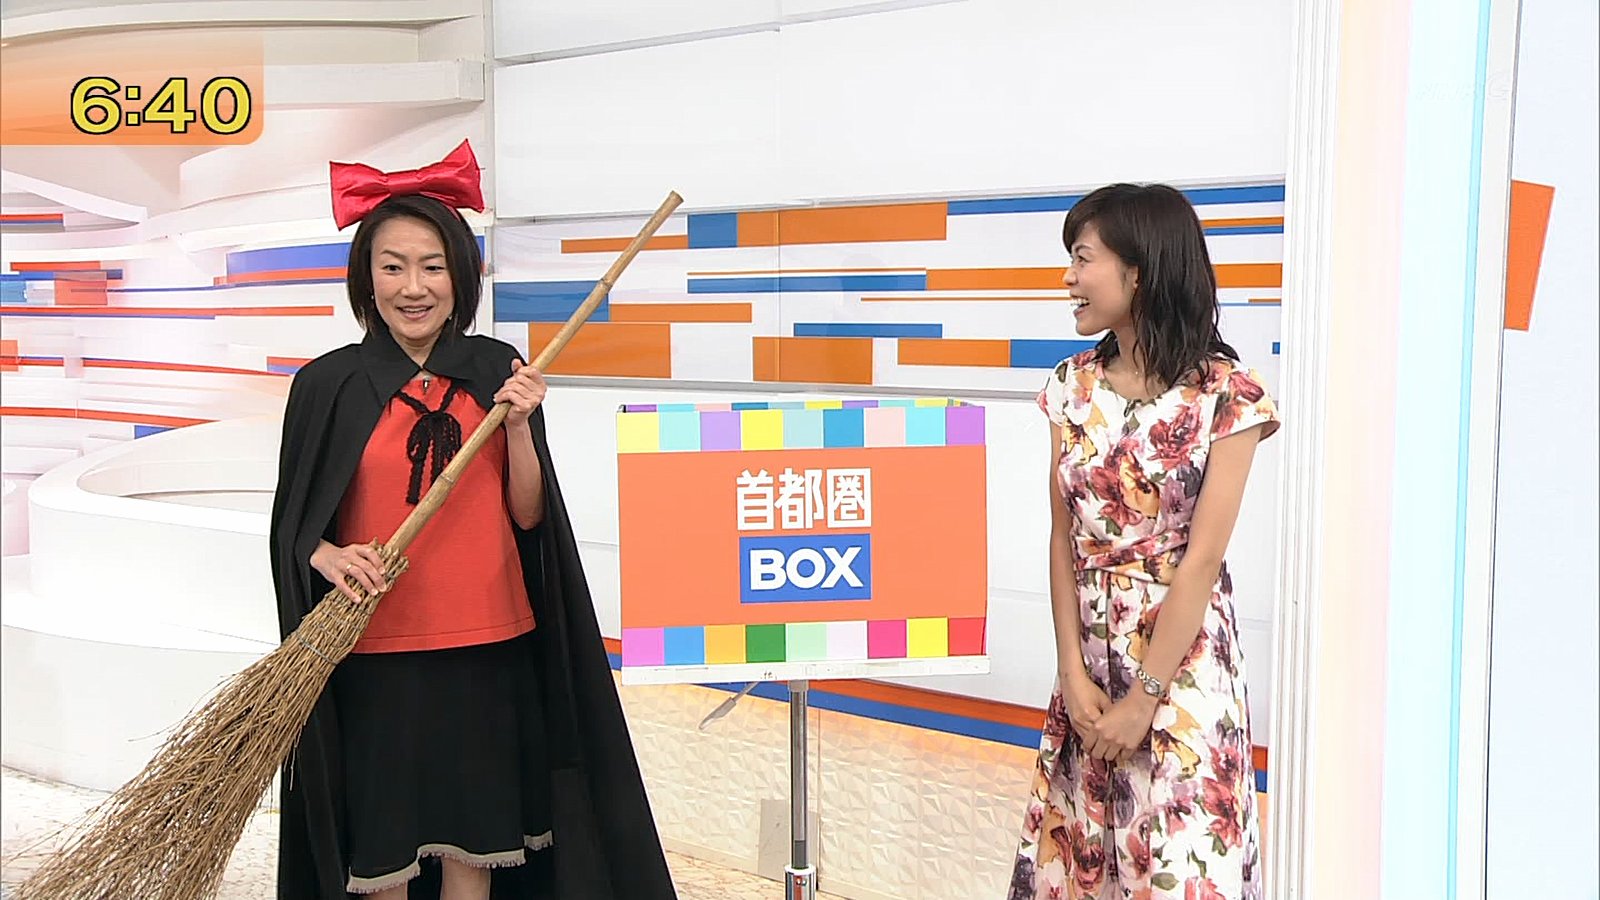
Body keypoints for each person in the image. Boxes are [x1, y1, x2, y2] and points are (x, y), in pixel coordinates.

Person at [269, 140, 678, 899]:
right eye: (392, 266)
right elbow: (295, 527)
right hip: (373, 649)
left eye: (432, 266)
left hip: (490, 644)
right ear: (365, 278)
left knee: (476, 848)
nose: (413, 287)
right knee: (381, 855)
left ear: (460, 275)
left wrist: (519, 426)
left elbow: (529, 515)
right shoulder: (328, 384)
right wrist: (328, 557)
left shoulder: (496, 368)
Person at [1009, 183, 1279, 900]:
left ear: (1140, 270)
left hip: (1184, 671)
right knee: (1086, 866)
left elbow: (1203, 560)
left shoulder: (1229, 395)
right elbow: (1063, 538)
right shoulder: (1070, 385)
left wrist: (1144, 699)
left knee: (1182, 870)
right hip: (1089, 676)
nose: (1068, 277)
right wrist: (1072, 673)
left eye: (1083, 258)